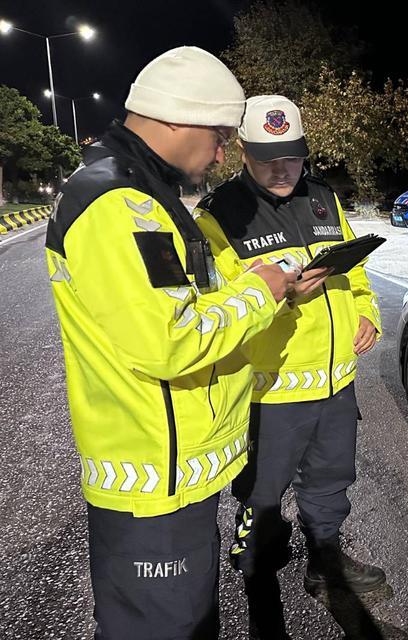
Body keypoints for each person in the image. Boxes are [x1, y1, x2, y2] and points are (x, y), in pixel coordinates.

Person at [44, 47, 302, 639]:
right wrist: (260, 294)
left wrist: (256, 281)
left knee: (186, 621)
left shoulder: (140, 192)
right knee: (169, 628)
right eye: (216, 135)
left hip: (174, 469)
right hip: (155, 476)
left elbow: (185, 297)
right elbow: (172, 339)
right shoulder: (119, 204)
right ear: (179, 119)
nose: (219, 153)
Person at [194, 95, 385, 638]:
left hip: (335, 382)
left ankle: (326, 562)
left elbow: (355, 272)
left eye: (292, 156)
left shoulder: (325, 198)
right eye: (266, 156)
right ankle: (260, 595)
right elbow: (216, 306)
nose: (281, 169)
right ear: (242, 154)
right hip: (269, 393)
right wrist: (281, 294)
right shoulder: (219, 215)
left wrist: (367, 311)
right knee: (262, 499)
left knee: (330, 483)